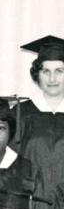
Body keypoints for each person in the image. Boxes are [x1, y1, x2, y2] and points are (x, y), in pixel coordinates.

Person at [18, 35, 64, 200]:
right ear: (37, 74)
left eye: (59, 71)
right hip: (32, 205)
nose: (52, 79)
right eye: (46, 71)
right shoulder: (20, 113)